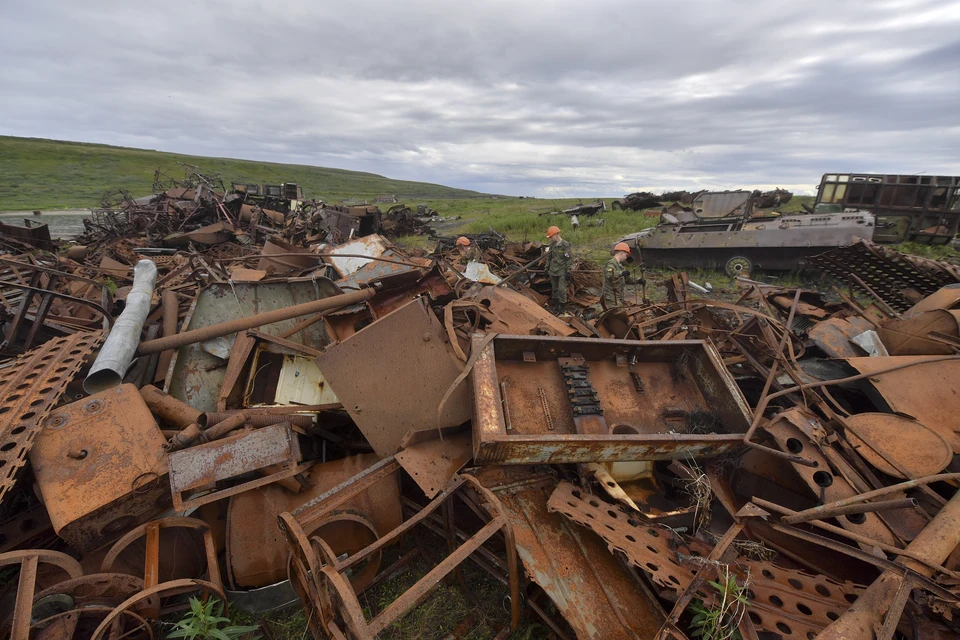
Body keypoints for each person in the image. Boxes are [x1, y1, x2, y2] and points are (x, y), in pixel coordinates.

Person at [602, 242, 645, 309]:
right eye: (626, 255)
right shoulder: (611, 264)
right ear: (621, 253)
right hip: (610, 296)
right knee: (618, 312)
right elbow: (610, 274)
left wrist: (638, 281)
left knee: (621, 310)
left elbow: (626, 279)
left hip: (618, 296)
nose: (625, 258)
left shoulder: (620, 266)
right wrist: (621, 273)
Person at [545, 226, 573, 314]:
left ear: (556, 235)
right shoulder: (552, 246)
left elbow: (568, 259)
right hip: (553, 271)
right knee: (555, 289)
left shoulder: (565, 245)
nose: (550, 239)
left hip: (561, 272)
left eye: (551, 237)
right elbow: (549, 258)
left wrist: (568, 270)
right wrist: (546, 269)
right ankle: (556, 306)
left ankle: (562, 308)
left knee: (562, 290)